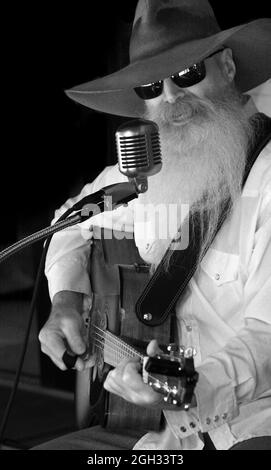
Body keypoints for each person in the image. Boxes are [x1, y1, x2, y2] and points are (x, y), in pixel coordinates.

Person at [36, 0, 271, 450]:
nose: (170, 97)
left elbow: (267, 338)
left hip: (253, 422)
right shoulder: (146, 171)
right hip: (153, 429)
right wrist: (65, 301)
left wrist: (191, 388)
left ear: (226, 65)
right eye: (150, 87)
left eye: (186, 74)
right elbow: (69, 220)